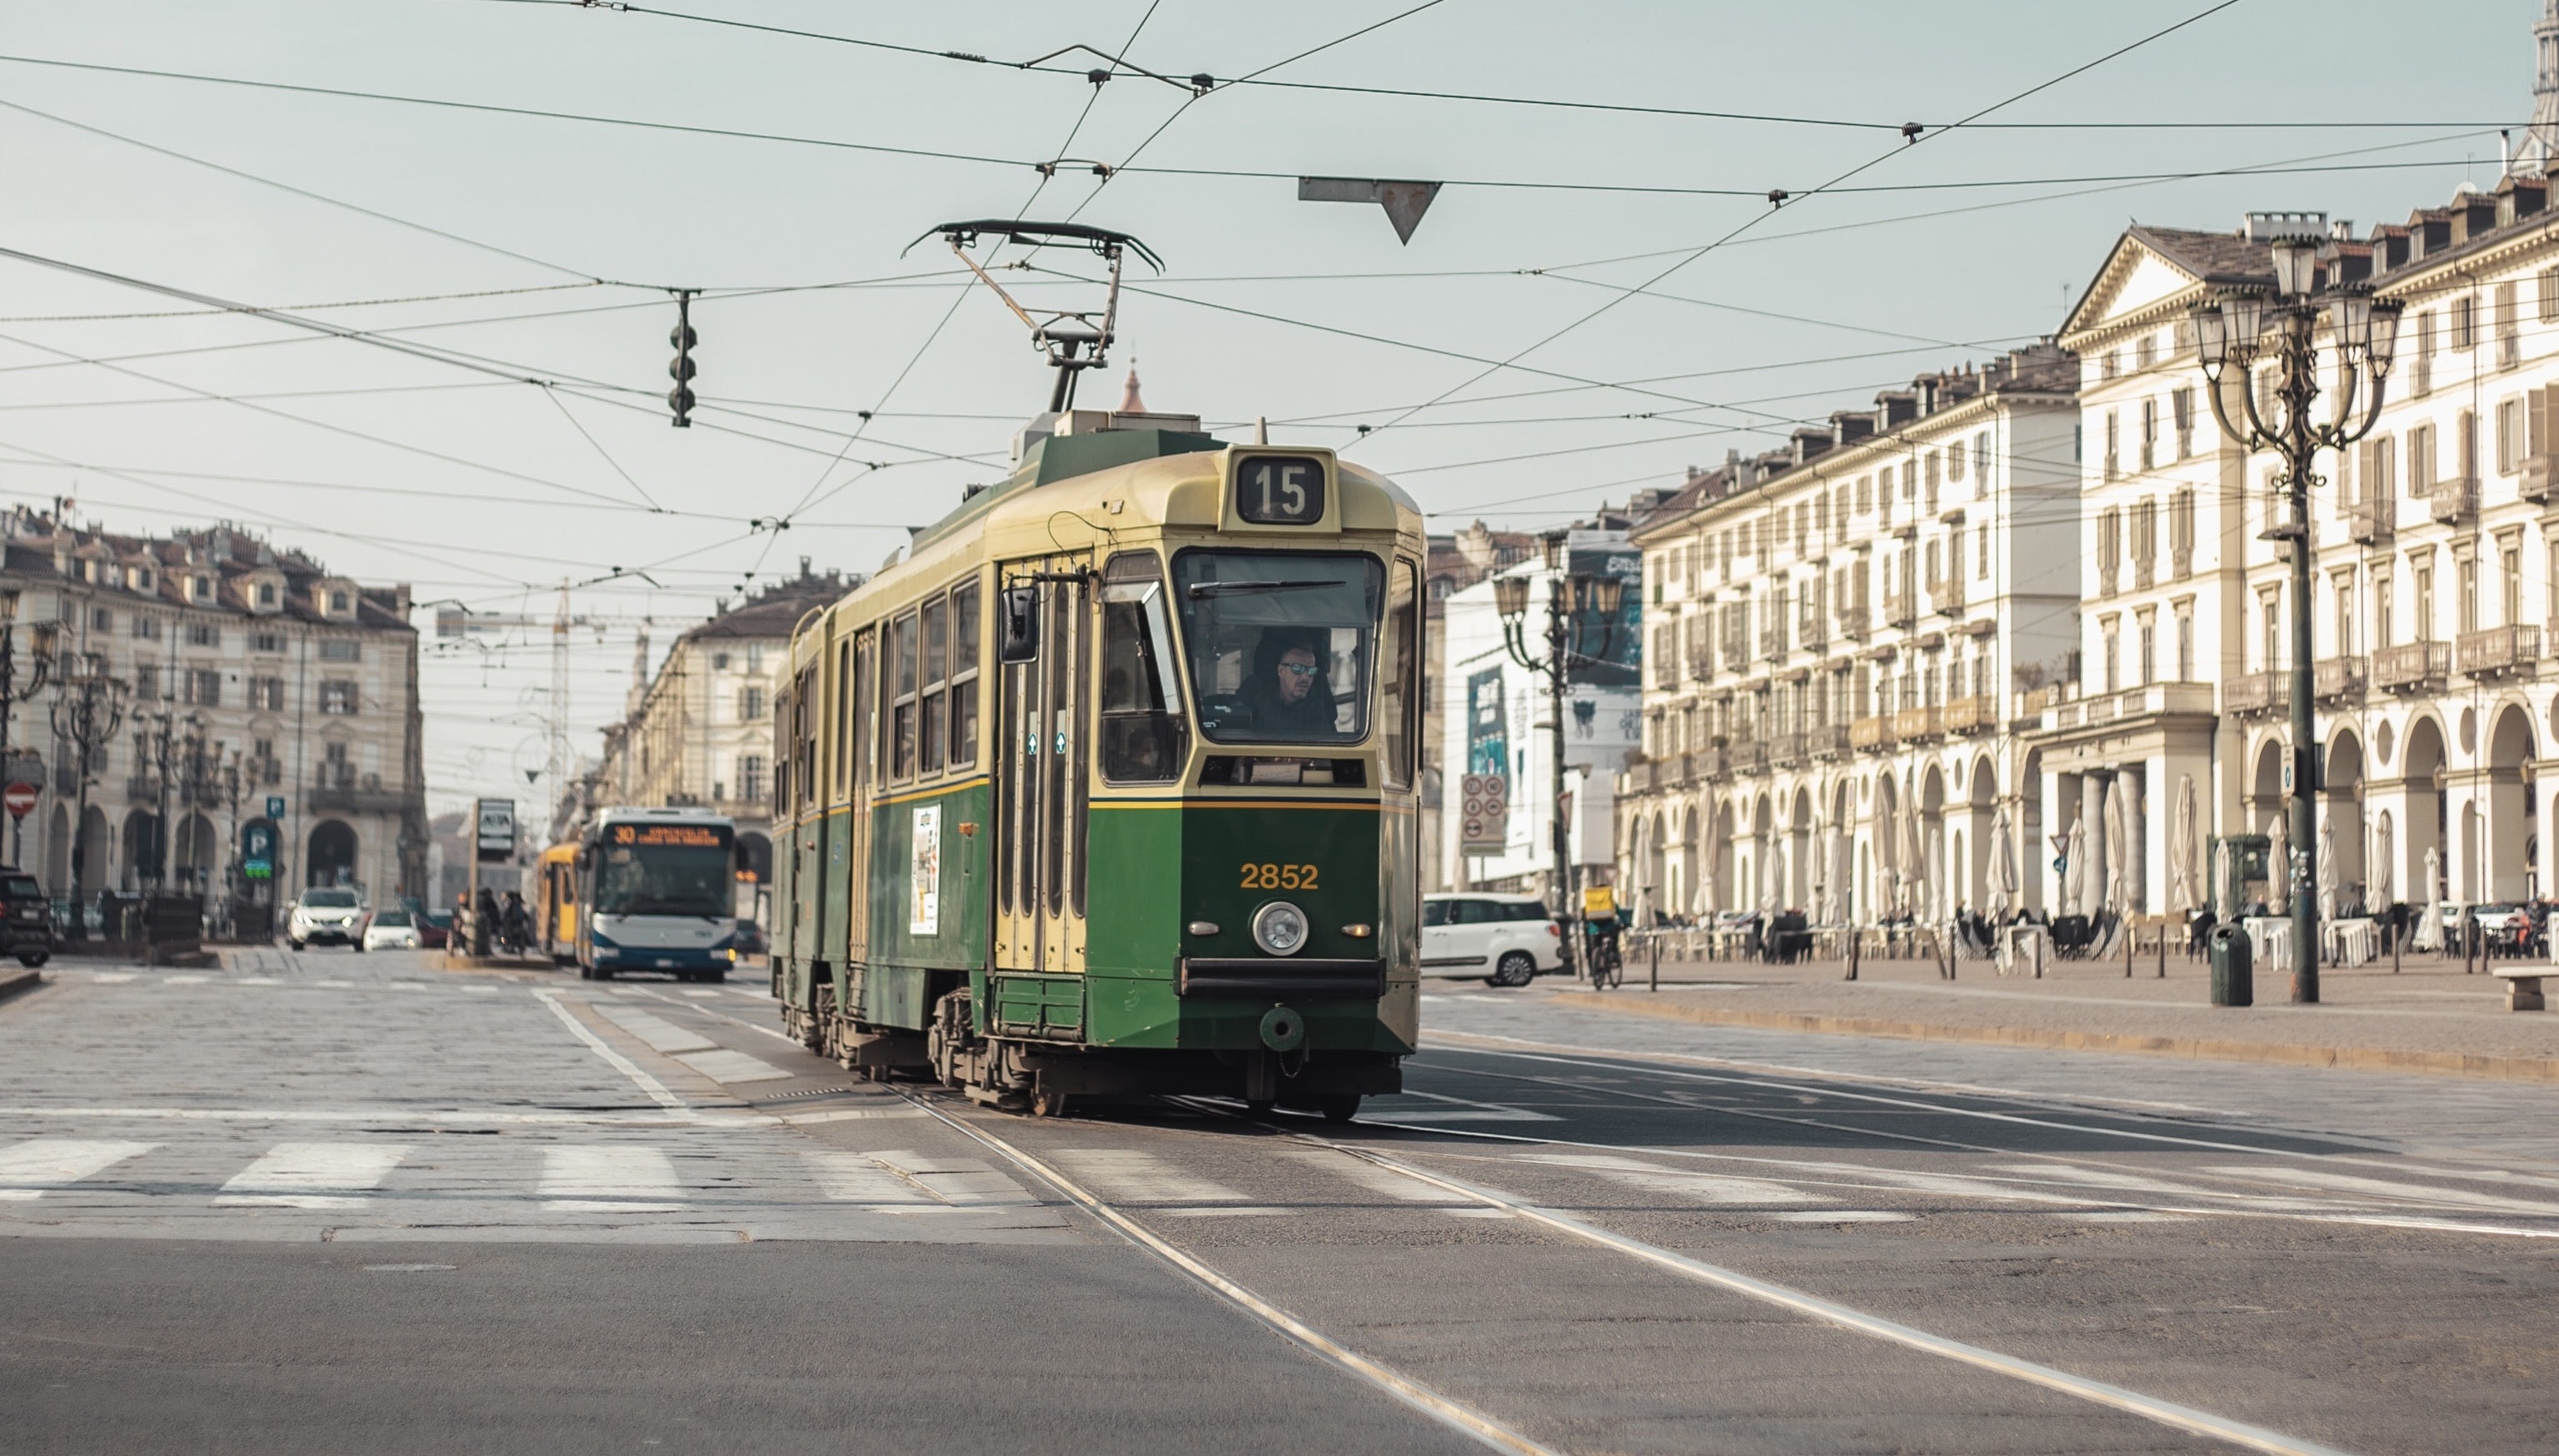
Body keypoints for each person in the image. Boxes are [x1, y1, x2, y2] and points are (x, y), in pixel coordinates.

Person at [1234, 630, 1338, 738]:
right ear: (1281, 671)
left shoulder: (1317, 712)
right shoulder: (1254, 698)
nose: (1305, 677)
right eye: (1297, 669)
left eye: (1311, 671)